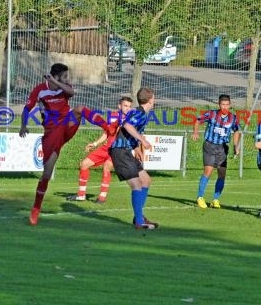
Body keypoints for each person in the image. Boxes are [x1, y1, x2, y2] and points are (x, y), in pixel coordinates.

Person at [19, 63, 114, 226]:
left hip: (67, 125)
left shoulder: (65, 87)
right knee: (47, 174)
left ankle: (107, 127)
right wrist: (23, 125)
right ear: (55, 76)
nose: (67, 80)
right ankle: (35, 209)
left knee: (79, 108)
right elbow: (27, 108)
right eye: (64, 76)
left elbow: (72, 92)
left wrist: (58, 83)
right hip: (51, 133)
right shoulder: (40, 89)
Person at [67, 96, 133, 203]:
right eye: (125, 106)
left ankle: (102, 198)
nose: (128, 108)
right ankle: (81, 195)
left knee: (106, 167)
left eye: (129, 106)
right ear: (119, 106)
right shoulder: (112, 116)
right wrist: (95, 143)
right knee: (84, 164)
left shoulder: (132, 120)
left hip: (118, 150)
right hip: (106, 148)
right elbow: (107, 133)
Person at [109, 87, 158, 230]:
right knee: (137, 184)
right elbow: (127, 125)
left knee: (146, 180)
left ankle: (139, 217)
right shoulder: (138, 112)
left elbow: (129, 132)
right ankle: (139, 221)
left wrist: (136, 148)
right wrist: (142, 140)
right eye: (153, 98)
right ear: (151, 100)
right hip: (120, 152)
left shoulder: (142, 114)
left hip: (127, 151)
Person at [191, 94, 240, 209]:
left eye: (227, 105)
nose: (225, 107)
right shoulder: (211, 114)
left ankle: (215, 200)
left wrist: (236, 145)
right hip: (210, 145)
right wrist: (196, 132)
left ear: (230, 105)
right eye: (223, 104)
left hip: (222, 148)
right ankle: (200, 197)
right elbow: (198, 120)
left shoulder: (233, 118)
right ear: (219, 104)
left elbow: (237, 131)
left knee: (222, 174)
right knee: (208, 171)